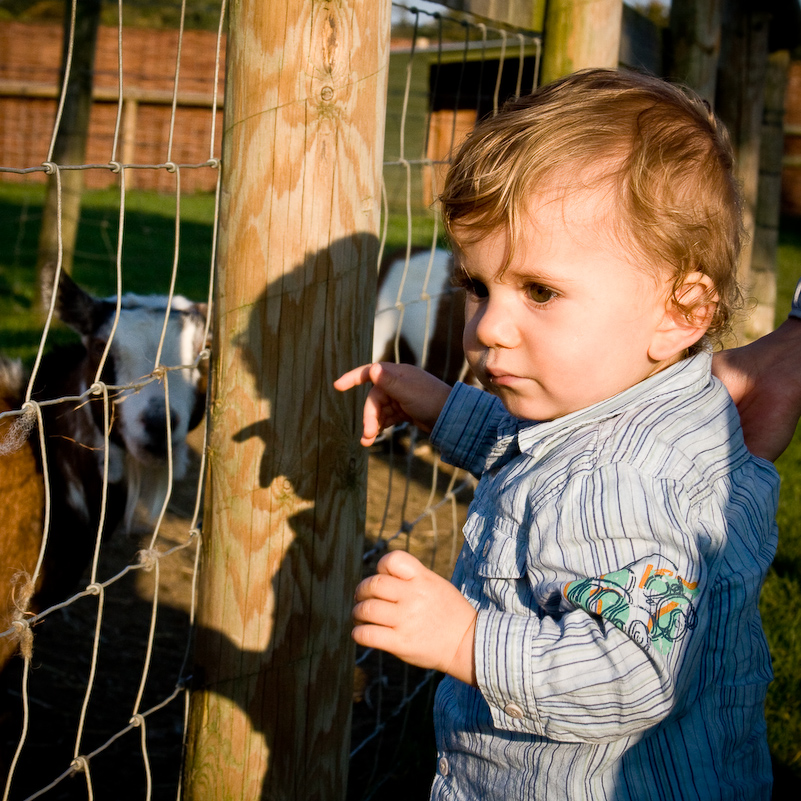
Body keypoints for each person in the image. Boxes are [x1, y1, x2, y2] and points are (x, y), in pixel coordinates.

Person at [335, 69, 792, 800]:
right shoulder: (644, 408)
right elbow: (545, 461)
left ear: (679, 310)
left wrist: (466, 640)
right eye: (478, 285)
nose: (485, 325)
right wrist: (442, 408)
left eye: (539, 291)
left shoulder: (627, 482)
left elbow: (639, 670)